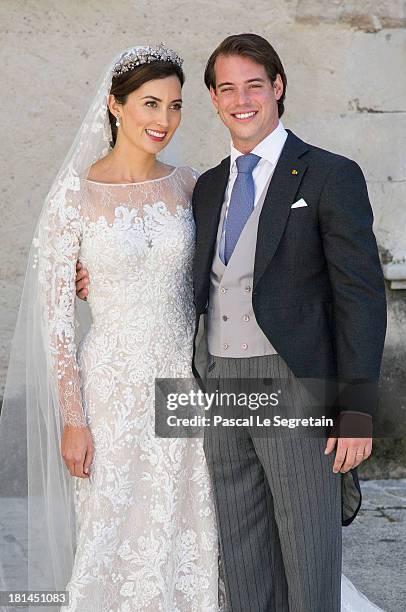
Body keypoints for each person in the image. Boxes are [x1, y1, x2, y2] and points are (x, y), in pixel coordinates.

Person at [75, 36, 386, 611]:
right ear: (216, 100)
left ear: (278, 88)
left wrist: (358, 407)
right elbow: (163, 262)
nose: (241, 100)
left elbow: (361, 297)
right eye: (226, 89)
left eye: (253, 85)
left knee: (307, 552)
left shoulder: (329, 175)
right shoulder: (207, 185)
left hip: (293, 383)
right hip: (215, 381)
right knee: (240, 552)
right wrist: (90, 273)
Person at [0, 44, 222, 612]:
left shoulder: (190, 186)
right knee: (113, 529)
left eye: (175, 106)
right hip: (111, 391)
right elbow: (55, 320)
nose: (164, 121)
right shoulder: (73, 196)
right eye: (150, 103)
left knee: (190, 525)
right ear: (115, 105)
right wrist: (73, 419)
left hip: (182, 385)